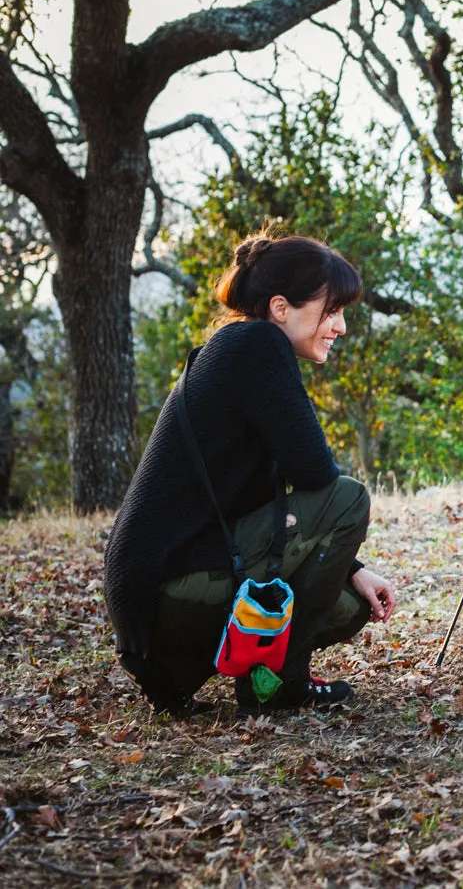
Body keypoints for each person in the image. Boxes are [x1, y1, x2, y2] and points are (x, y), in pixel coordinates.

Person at [103, 233, 396, 717]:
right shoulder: (255, 346)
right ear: (281, 308)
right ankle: (278, 684)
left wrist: (354, 569)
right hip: (166, 591)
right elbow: (318, 476)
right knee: (349, 498)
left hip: (161, 600)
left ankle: (231, 669)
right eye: (332, 311)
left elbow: (264, 502)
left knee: (349, 605)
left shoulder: (238, 349)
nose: (341, 327)